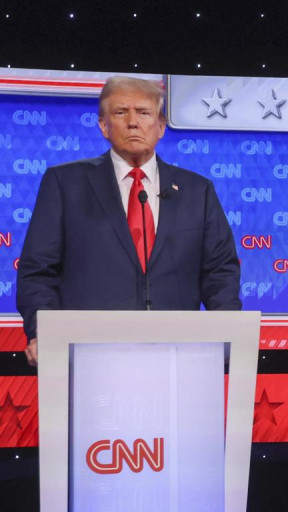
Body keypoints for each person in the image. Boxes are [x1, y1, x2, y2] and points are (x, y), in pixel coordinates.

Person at [16, 76, 241, 365]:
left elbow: (220, 271)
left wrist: (228, 332)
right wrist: (42, 332)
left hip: (178, 354)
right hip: (89, 353)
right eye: (121, 112)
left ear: (160, 126)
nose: (133, 122)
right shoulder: (65, 183)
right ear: (103, 125)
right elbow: (37, 271)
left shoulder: (198, 190)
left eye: (144, 113)